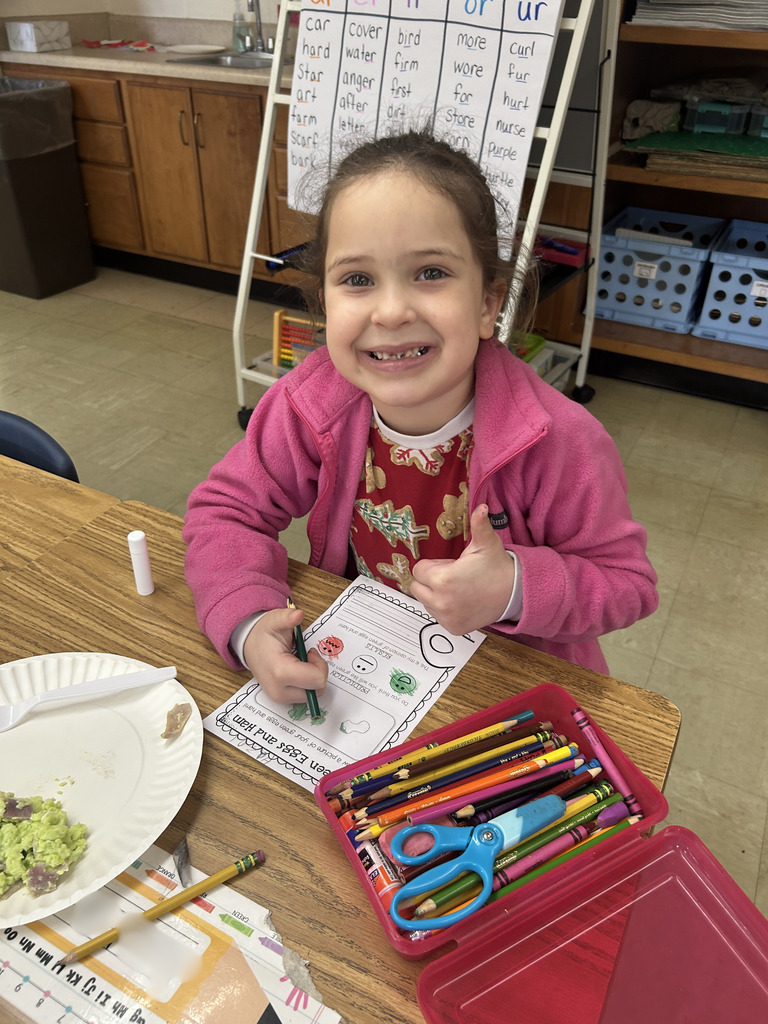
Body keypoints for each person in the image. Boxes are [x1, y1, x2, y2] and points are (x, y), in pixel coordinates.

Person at [183, 129, 658, 705]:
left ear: (487, 304)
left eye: (431, 272)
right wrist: (248, 621)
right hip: (368, 671)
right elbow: (226, 512)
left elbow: (626, 584)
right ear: (325, 302)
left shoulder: (560, 440)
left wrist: (513, 587)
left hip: (509, 688)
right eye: (358, 280)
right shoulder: (309, 404)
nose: (391, 312)